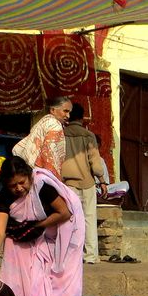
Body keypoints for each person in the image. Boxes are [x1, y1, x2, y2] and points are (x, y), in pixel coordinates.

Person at [0, 155, 84, 296]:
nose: (19, 188)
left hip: (66, 229)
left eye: (22, 182)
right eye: (13, 186)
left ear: (29, 176)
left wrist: (37, 226)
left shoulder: (42, 187)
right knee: (23, 260)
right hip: (40, 233)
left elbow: (64, 212)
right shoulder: (5, 196)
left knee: (64, 279)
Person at [61, 102, 105, 264]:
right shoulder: (88, 135)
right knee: (89, 218)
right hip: (87, 183)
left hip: (67, 184)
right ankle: (91, 255)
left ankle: (70, 256)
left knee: (69, 220)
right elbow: (95, 162)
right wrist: (102, 181)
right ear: (81, 117)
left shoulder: (61, 134)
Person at [12, 95, 71, 176]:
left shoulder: (44, 121)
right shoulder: (55, 125)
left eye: (69, 112)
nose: (68, 116)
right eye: (65, 111)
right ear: (53, 110)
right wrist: (53, 178)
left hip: (30, 170)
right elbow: (49, 154)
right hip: (42, 173)